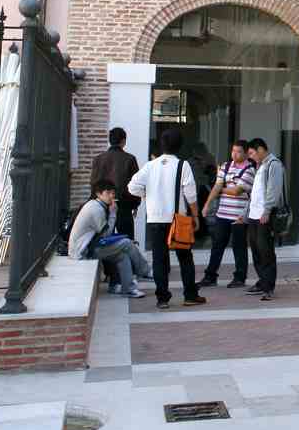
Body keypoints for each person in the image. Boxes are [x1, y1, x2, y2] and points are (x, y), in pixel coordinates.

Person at [127, 127, 207, 311]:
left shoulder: (150, 165)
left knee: (159, 259)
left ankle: (162, 298)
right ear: (180, 145)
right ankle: (190, 295)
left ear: (162, 145)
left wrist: (146, 195)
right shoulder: (182, 165)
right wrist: (195, 215)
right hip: (177, 218)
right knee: (185, 257)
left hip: (155, 219)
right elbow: (191, 195)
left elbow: (132, 187)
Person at [67, 181, 148, 298]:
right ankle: (145, 271)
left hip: (90, 246)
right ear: (99, 194)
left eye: (113, 193)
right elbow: (106, 235)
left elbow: (102, 236)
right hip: (83, 251)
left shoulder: (97, 204)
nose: (112, 196)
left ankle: (128, 289)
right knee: (126, 243)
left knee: (122, 255)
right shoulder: (96, 209)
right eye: (108, 193)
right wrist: (113, 214)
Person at [199, 141, 254, 288]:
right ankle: (210, 277)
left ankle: (240, 278)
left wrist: (220, 188)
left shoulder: (249, 170)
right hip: (222, 213)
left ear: (246, 153)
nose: (234, 154)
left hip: (239, 216)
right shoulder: (225, 166)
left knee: (239, 247)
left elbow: (237, 191)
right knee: (217, 245)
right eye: (233, 151)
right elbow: (217, 186)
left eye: (238, 152)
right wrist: (206, 205)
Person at [245, 137, 285, 301]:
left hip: (264, 215)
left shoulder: (273, 164)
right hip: (254, 215)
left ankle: (268, 287)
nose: (251, 157)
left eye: (252, 153)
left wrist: (267, 211)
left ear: (261, 149)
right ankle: (262, 281)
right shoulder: (260, 166)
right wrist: (246, 213)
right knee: (255, 250)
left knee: (266, 252)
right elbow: (255, 192)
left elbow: (273, 191)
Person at [90, 127, 140, 242]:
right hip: (124, 205)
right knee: (127, 240)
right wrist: (135, 204)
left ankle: (108, 260)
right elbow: (135, 185)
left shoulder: (98, 159)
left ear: (109, 141)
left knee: (104, 240)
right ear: (123, 141)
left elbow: (93, 183)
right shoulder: (130, 159)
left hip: (103, 205)